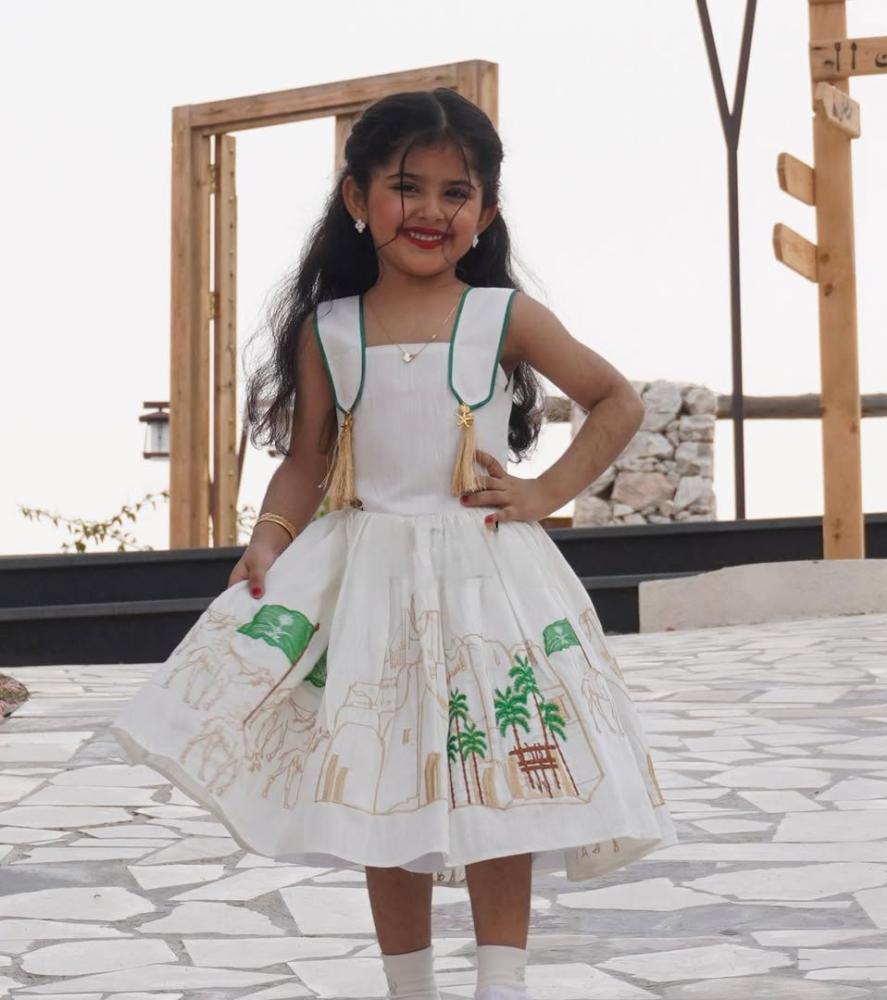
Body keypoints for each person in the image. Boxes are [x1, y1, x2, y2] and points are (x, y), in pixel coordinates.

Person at [110, 87, 677, 1000]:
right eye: (406, 187)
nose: (431, 211)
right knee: (385, 781)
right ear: (356, 197)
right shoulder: (329, 331)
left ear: (487, 210)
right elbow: (308, 462)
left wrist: (543, 494)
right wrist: (269, 539)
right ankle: (408, 988)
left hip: (487, 584)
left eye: (457, 193)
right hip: (371, 587)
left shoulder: (504, 317)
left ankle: (502, 984)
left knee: (501, 780)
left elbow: (617, 401)